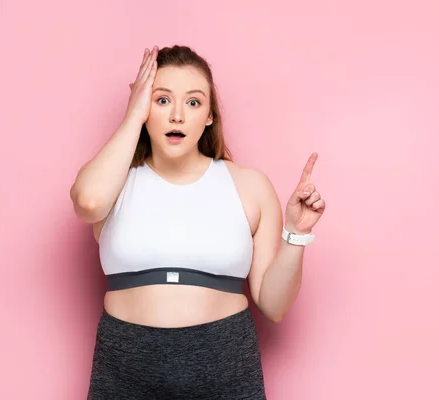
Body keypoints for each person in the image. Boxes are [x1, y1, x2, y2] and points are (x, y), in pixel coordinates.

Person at [70, 44, 326, 399]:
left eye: (193, 102)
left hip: (224, 364)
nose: (177, 115)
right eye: (161, 100)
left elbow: (274, 304)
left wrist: (297, 233)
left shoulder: (249, 185)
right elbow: (88, 202)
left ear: (209, 115)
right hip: (126, 365)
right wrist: (133, 116)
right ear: (145, 107)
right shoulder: (115, 181)